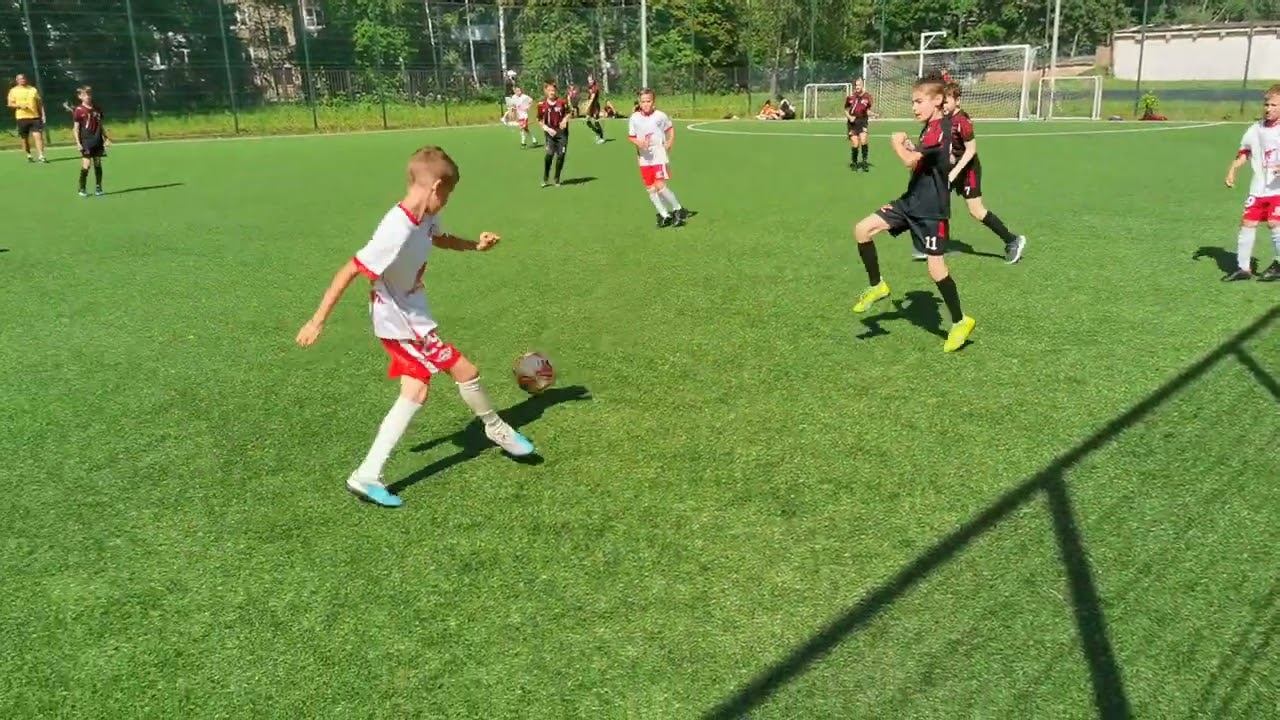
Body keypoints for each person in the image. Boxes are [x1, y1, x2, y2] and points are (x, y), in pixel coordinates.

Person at [295, 146, 535, 508]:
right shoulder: (396, 229)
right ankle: (496, 428)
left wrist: (476, 246)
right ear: (436, 187)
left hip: (412, 315)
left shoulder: (424, 217)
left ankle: (367, 474)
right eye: (448, 194)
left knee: (415, 391)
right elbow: (350, 269)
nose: (447, 201)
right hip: (400, 322)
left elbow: (440, 238)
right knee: (465, 370)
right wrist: (317, 321)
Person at [850, 74, 976, 353]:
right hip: (910, 202)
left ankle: (960, 321)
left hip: (932, 211)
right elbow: (921, 158)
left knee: (936, 269)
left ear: (937, 100)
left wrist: (897, 143)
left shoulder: (941, 129)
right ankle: (877, 286)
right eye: (913, 102)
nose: (914, 107)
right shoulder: (930, 127)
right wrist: (911, 147)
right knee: (862, 230)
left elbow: (909, 162)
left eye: (919, 101)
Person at [942, 83, 1027, 264]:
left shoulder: (962, 121)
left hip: (968, 170)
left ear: (957, 101)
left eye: (946, 101)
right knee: (936, 200)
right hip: (953, 169)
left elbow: (971, 150)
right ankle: (937, 244)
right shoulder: (945, 119)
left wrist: (954, 172)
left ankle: (1012, 240)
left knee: (976, 211)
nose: (943, 105)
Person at [1224, 83, 1280, 281]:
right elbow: (1244, 152)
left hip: (1278, 189)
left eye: (1274, 105)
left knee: (1274, 223)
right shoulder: (1255, 129)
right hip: (1258, 188)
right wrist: (1233, 169)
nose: (1268, 109)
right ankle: (1243, 268)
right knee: (1247, 223)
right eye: (1266, 104)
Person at [628, 88, 687, 229]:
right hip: (644, 157)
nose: (646, 104)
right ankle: (664, 214)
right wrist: (639, 143)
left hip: (659, 154)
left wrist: (670, 141)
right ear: (639, 102)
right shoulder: (634, 118)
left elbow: (670, 128)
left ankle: (678, 209)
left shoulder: (660, 116)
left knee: (660, 185)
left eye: (648, 101)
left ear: (653, 101)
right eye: (643, 101)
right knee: (650, 188)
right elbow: (631, 136)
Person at [71, 86, 109, 197]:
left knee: (97, 163)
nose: (87, 96)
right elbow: (76, 128)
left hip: (97, 140)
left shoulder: (97, 108)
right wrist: (78, 143)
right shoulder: (79, 110)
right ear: (80, 97)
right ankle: (82, 188)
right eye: (85, 94)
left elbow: (100, 124)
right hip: (86, 141)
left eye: (89, 94)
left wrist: (106, 138)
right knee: (86, 165)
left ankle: (98, 188)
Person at [537, 81, 571, 187]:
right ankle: (546, 177)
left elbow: (569, 113)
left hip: (562, 134)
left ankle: (557, 178)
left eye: (553, 90)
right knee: (549, 155)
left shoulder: (562, 102)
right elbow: (539, 120)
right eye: (549, 90)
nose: (552, 92)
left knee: (561, 155)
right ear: (545, 91)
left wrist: (565, 120)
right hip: (550, 134)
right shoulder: (541, 105)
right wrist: (547, 129)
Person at [7, 73, 46, 163]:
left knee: (38, 136)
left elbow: (39, 103)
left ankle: (41, 156)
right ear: (17, 80)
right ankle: (29, 155)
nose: (23, 80)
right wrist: (20, 106)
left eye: (24, 78)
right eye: (20, 79)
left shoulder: (33, 89)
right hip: (21, 118)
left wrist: (43, 115)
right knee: (24, 139)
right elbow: (10, 104)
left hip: (35, 117)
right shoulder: (13, 91)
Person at [845, 78, 873, 171]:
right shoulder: (850, 97)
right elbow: (846, 110)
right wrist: (850, 117)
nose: (857, 87)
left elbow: (867, 110)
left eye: (859, 85)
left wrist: (873, 114)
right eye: (856, 85)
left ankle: (864, 162)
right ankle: (854, 162)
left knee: (864, 140)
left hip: (863, 121)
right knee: (855, 144)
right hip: (853, 123)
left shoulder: (868, 97)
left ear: (862, 85)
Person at [584, 74, 606, 144]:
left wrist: (587, 106)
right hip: (591, 107)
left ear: (593, 80)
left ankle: (601, 137)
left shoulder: (595, 88)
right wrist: (586, 103)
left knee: (596, 122)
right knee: (588, 122)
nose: (589, 81)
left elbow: (592, 99)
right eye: (588, 80)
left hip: (595, 106)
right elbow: (589, 97)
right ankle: (597, 132)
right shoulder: (589, 87)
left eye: (591, 80)